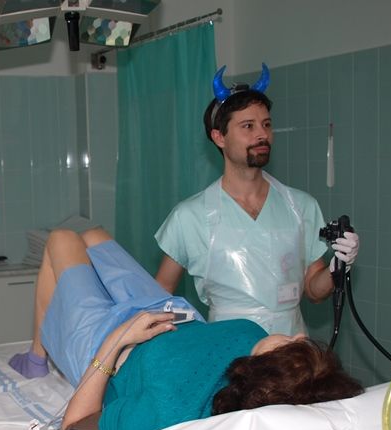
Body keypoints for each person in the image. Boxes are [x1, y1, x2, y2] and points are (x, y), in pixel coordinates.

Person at [9, 227, 363, 430]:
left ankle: (36, 358)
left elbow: (73, 427)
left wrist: (118, 339)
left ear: (263, 371)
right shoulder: (255, 339)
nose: (298, 333)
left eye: (293, 345)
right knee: (93, 236)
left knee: (61, 239)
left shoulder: (170, 410)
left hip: (109, 340)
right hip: (161, 310)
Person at [154, 64, 361, 336]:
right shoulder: (190, 216)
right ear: (219, 137)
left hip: (291, 350)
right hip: (228, 351)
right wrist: (187, 341)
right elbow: (161, 293)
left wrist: (337, 267)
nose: (262, 134)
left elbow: (313, 290)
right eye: (248, 126)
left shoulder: (301, 207)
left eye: (266, 124)